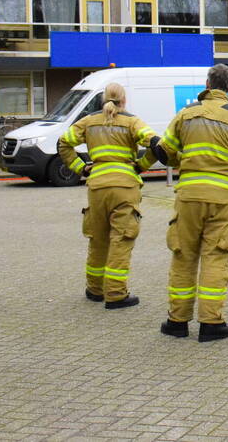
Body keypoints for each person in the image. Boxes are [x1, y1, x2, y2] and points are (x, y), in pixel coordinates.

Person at [154, 64, 228, 343]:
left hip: (188, 197)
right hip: (222, 201)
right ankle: (211, 324)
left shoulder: (185, 114)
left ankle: (176, 322)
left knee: (183, 257)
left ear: (207, 84)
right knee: (215, 257)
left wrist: (185, 159)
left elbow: (164, 153)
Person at [57, 82, 159, 309]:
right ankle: (115, 294)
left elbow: (63, 143)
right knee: (121, 239)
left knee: (98, 238)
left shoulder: (89, 122)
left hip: (97, 186)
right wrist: (141, 166)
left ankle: (95, 289)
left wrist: (80, 168)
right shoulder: (132, 122)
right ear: (124, 100)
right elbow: (154, 144)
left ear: (103, 99)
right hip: (124, 186)